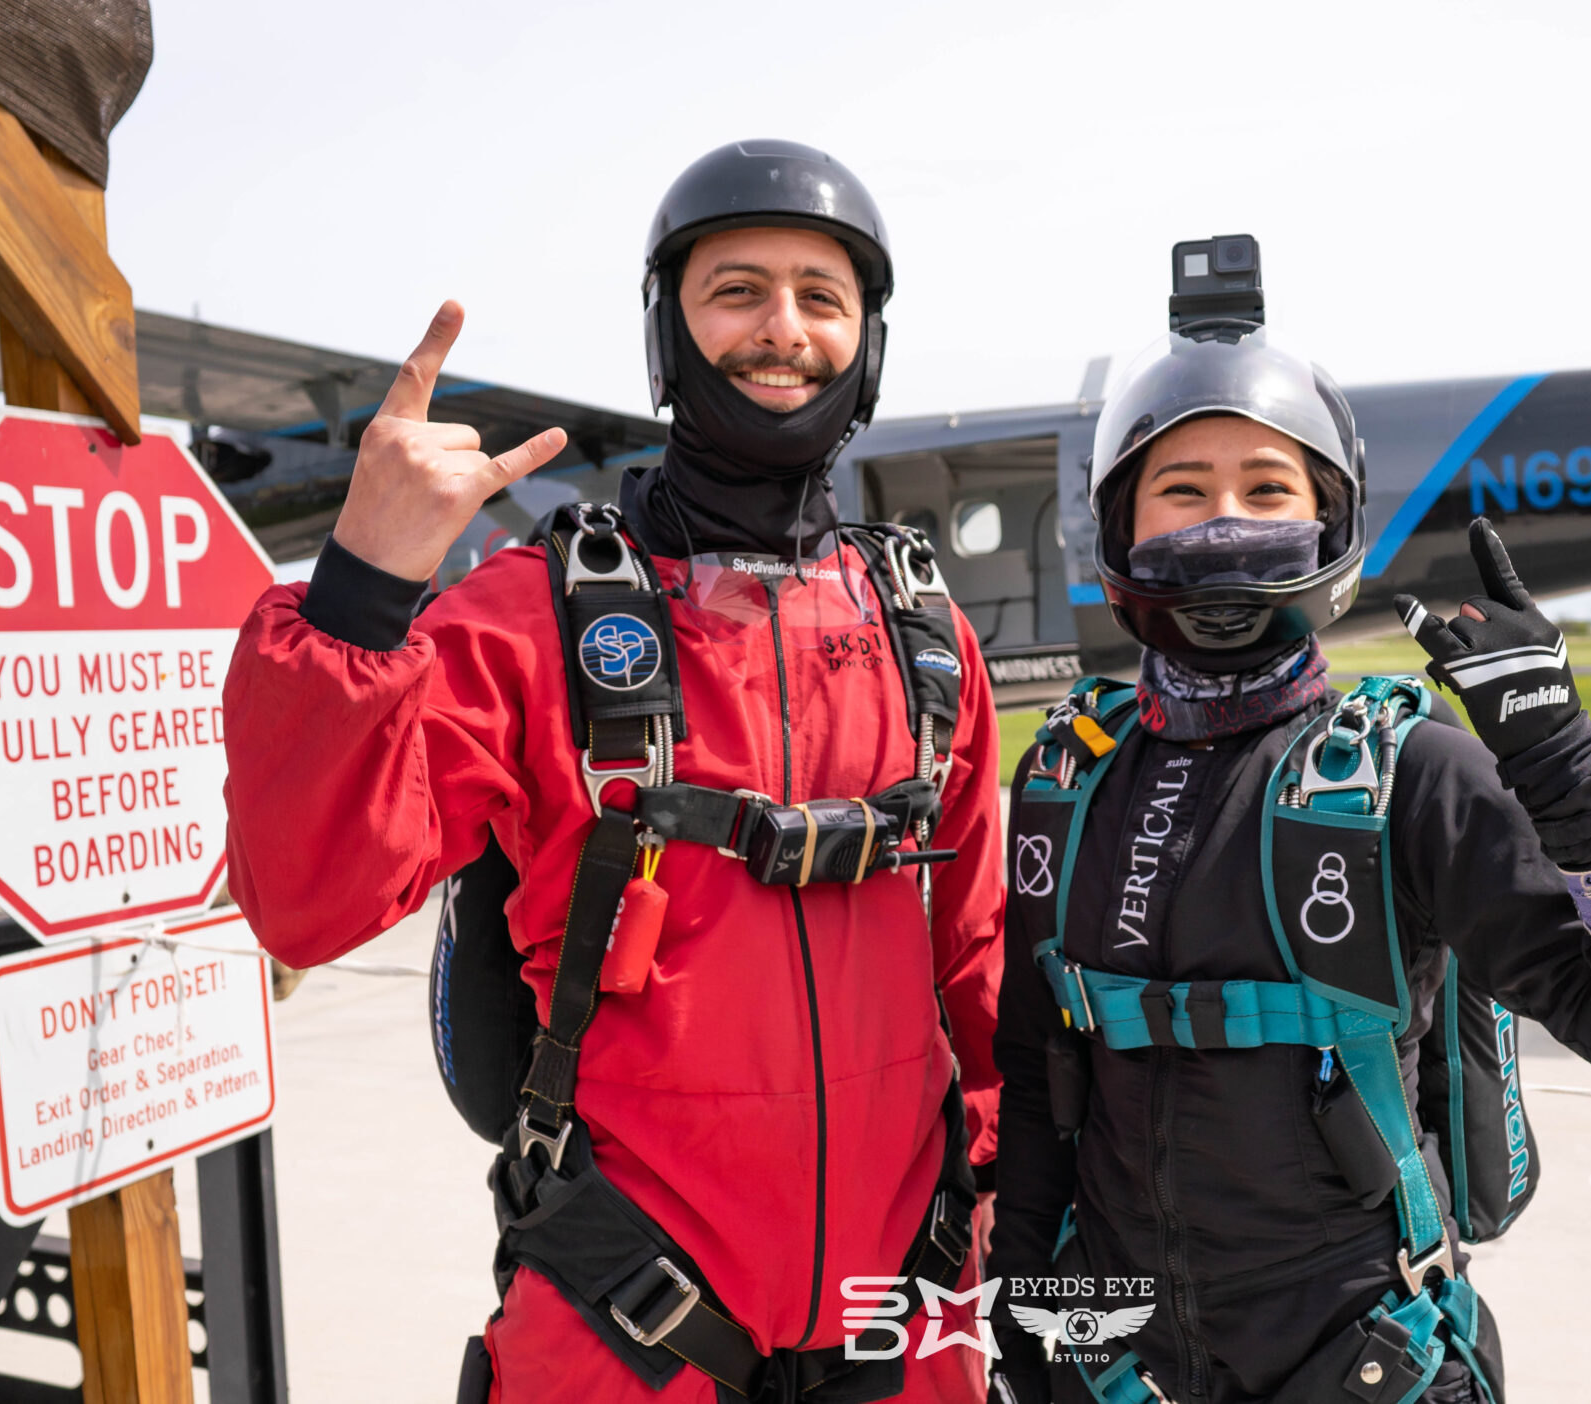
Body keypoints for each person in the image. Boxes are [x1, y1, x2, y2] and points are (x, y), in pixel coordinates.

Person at [223, 140, 1006, 1404]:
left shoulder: (924, 638)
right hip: (624, 1336)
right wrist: (362, 587)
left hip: (903, 1331)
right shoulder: (529, 622)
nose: (781, 328)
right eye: (736, 288)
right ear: (670, 329)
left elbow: (978, 975)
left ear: (865, 337)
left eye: (822, 294)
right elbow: (309, 904)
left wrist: (1005, 1235)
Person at [988, 318, 1591, 1404]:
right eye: (1182, 489)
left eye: (1266, 488)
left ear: (1329, 523)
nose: (1222, 522)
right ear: (1119, 524)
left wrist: (1568, 769)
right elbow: (1037, 1084)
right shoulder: (1068, 783)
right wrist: (1025, 1338)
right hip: (1111, 1374)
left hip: (1364, 1369)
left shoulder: (1410, 778)